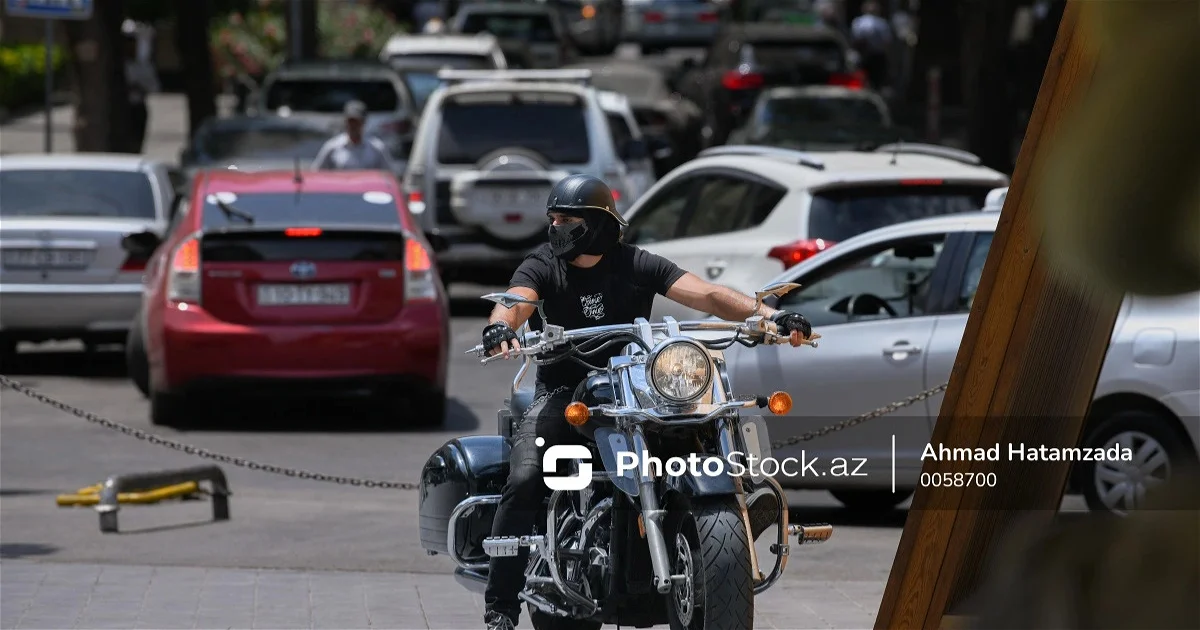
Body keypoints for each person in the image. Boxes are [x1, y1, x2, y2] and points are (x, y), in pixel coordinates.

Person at [479, 174, 816, 630]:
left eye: (566, 219)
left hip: (635, 389)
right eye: (552, 218)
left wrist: (770, 316)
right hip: (564, 392)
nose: (554, 227)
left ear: (596, 224)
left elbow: (709, 295)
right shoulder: (543, 264)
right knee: (525, 477)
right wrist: (502, 325)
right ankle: (501, 605)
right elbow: (517, 301)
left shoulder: (636, 263)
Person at [311, 101, 396, 171]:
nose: (353, 126)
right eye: (350, 121)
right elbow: (316, 173)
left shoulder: (377, 148)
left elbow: (389, 176)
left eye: (356, 122)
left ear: (363, 122)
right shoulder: (332, 147)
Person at [122, 21, 160, 154]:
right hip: (120, 108)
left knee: (136, 140)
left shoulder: (142, 66)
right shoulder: (118, 65)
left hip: (137, 106)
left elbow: (154, 87)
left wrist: (139, 87)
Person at [850, 0, 894, 91]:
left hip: (872, 56)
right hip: (869, 56)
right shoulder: (859, 22)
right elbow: (887, 42)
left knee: (868, 81)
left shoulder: (881, 23)